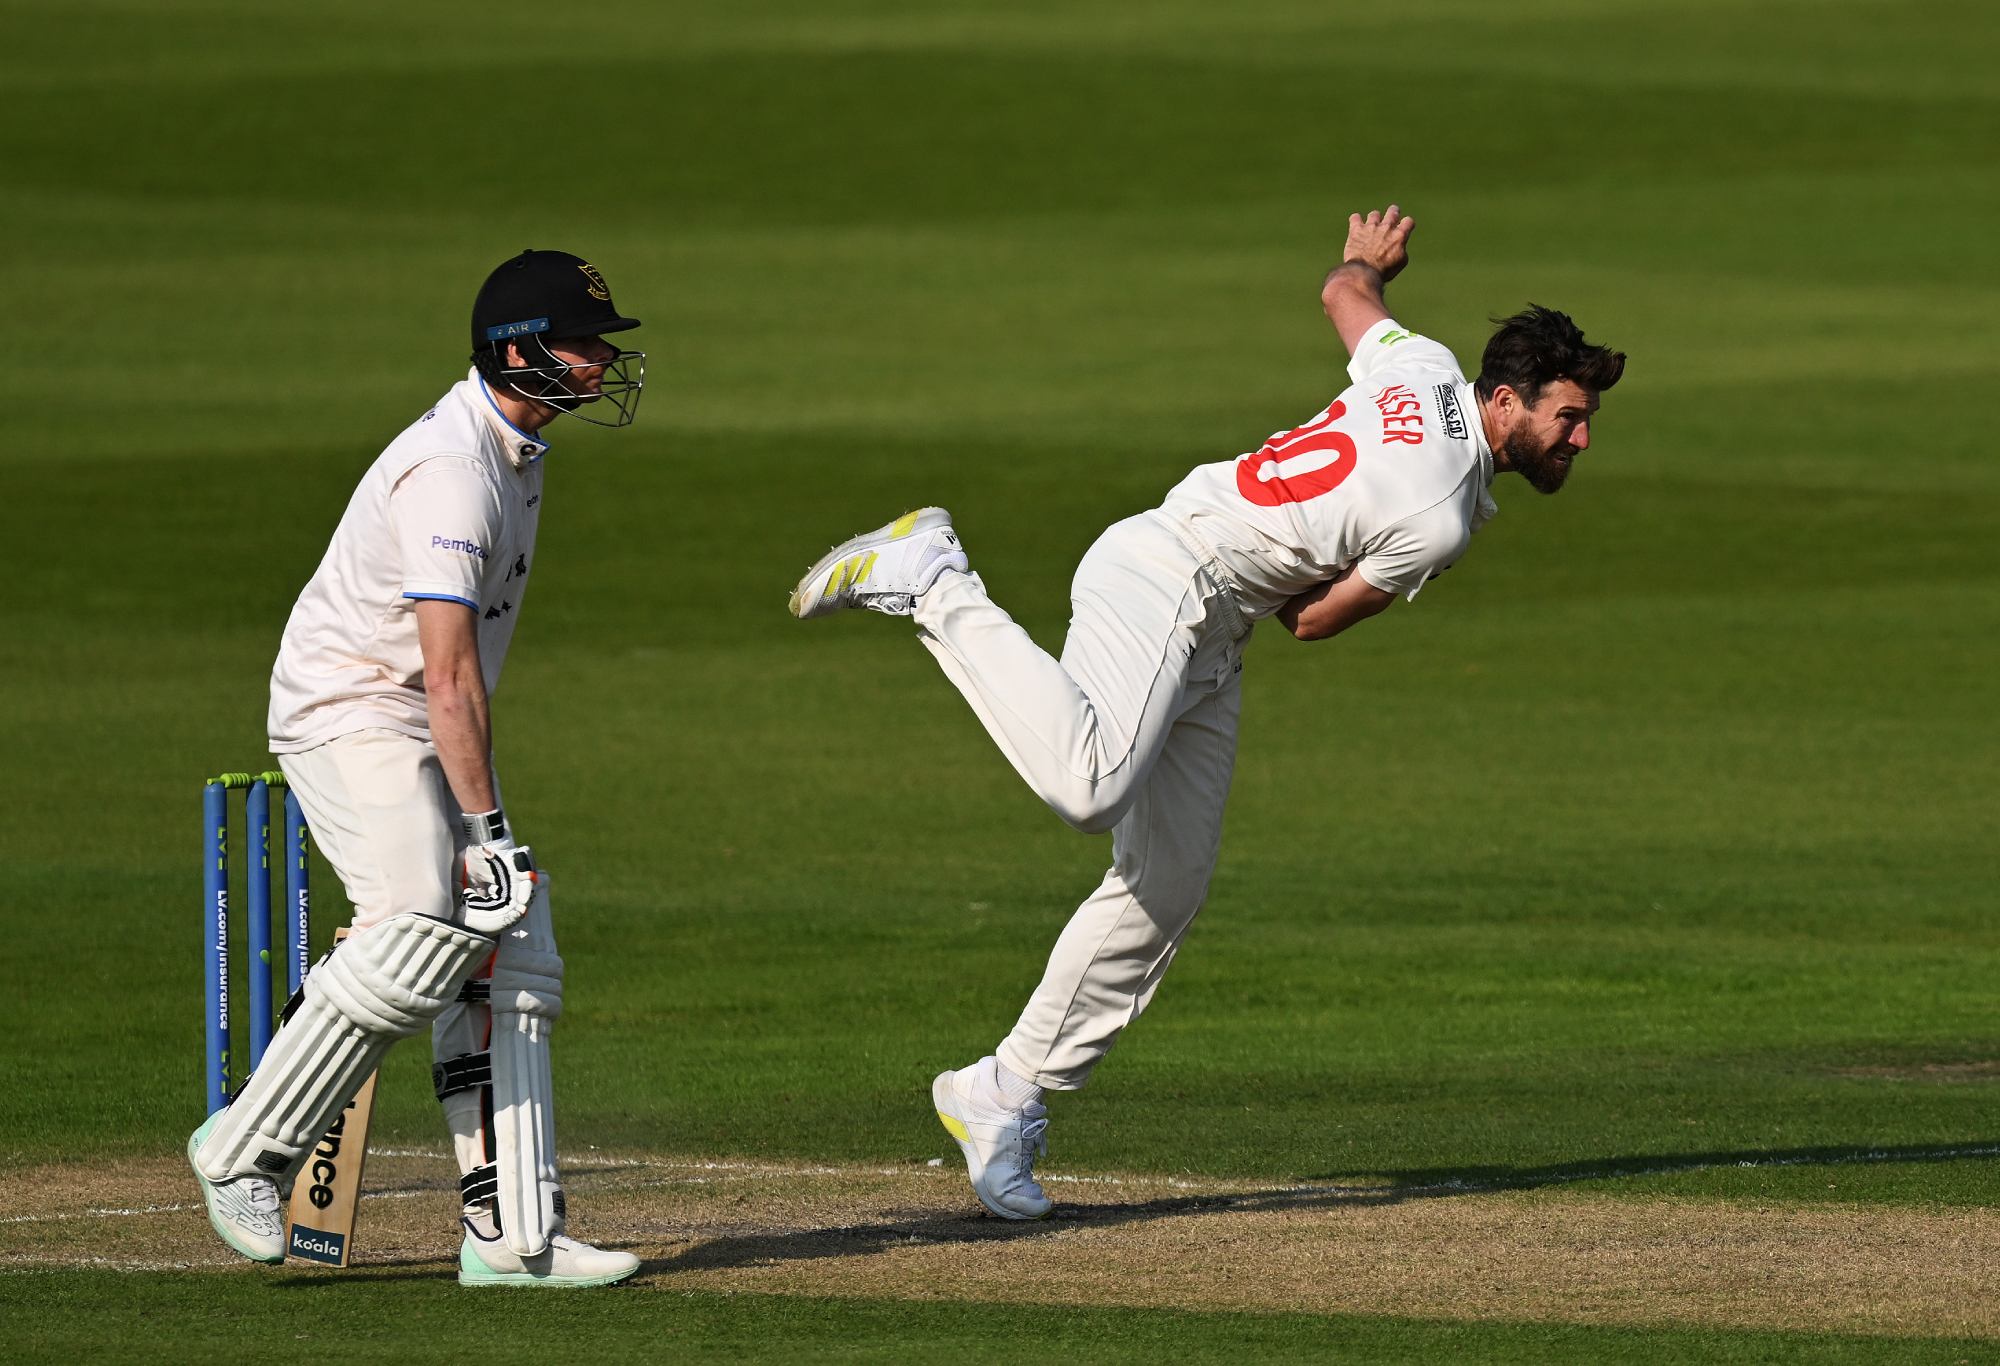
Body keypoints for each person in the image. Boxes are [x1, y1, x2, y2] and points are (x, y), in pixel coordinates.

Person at [788, 206, 1625, 1219]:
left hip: (1207, 621)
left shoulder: (1419, 367)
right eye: (1564, 418)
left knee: (1166, 883)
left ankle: (1000, 1093)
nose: (1577, 438)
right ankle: (931, 577)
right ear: (1502, 399)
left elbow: (1343, 293)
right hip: (1168, 575)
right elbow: (1313, 621)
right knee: (1088, 785)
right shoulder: (1437, 516)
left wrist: (1367, 257)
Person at [188, 250, 648, 1285]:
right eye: (582, 343)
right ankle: (241, 1149)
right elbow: (444, 674)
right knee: (416, 924)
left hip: (410, 716)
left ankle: (513, 1238)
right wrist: (483, 834)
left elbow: (448, 686)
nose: (600, 361)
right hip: (349, 707)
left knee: (513, 950)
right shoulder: (452, 470)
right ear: (520, 352)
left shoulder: (516, 452)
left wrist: (489, 849)